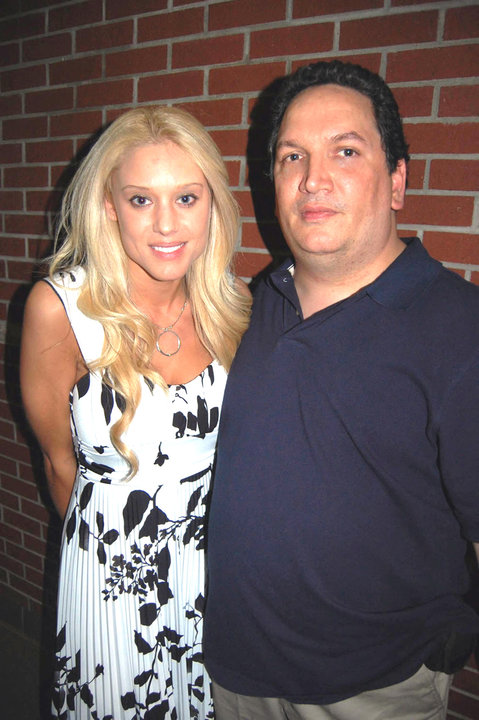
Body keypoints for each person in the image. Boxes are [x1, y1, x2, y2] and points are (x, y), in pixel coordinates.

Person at [204, 60, 479, 720]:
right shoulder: (245, 309)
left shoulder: (459, 328)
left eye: (345, 151)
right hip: (231, 672)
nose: (311, 179)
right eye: (290, 156)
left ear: (396, 182)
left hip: (371, 690)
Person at [20, 105, 251, 719]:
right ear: (109, 208)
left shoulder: (236, 309)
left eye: (187, 197)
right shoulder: (60, 310)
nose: (166, 224)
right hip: (110, 582)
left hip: (212, 572)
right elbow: (58, 463)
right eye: (142, 200)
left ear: (213, 207)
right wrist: (111, 568)